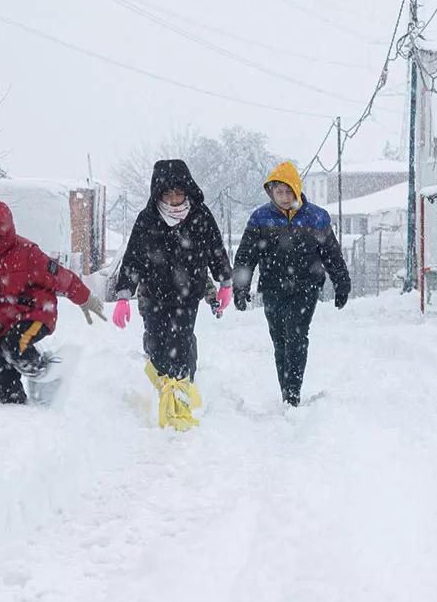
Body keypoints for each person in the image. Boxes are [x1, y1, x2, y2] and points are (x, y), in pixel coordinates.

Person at [111, 160, 232, 428]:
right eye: (168, 194)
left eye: (179, 193)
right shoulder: (148, 219)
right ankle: (164, 389)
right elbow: (133, 259)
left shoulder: (200, 215)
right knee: (156, 346)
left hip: (188, 295)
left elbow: (215, 249)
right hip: (154, 295)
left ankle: (179, 401)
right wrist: (123, 295)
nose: (175, 200)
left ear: (187, 191)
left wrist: (225, 282)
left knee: (180, 342)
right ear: (159, 194)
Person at [0, 196, 106, 404]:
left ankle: (50, 371)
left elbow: (59, 276)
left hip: (34, 313)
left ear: (0, 234)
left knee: (16, 345)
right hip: (1, 328)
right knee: (3, 384)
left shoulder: (26, 254)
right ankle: (20, 416)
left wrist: (85, 298)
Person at [232, 161, 350, 406]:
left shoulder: (316, 217)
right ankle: (286, 390)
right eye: (278, 192)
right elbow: (246, 255)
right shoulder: (260, 218)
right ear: (271, 192)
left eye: (288, 192)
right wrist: (240, 287)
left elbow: (331, 253)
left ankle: (293, 394)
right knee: (279, 340)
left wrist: (341, 283)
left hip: (306, 287)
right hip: (273, 288)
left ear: (296, 190)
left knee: (296, 336)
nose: (284, 198)